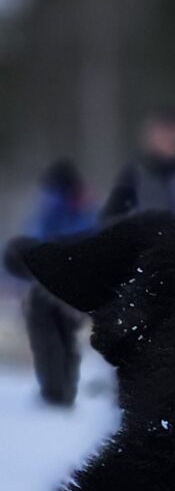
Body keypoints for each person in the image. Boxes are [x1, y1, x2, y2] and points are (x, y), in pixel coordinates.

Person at [12, 158, 96, 407]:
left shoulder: (46, 207)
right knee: (65, 339)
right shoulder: (80, 210)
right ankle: (63, 390)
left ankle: (55, 391)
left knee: (48, 339)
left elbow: (30, 243)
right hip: (68, 285)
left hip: (45, 285)